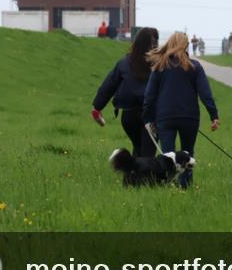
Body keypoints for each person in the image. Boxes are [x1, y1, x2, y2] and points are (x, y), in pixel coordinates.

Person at [143, 32, 220, 188]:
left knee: (167, 156)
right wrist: (214, 115)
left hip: (165, 117)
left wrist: (148, 119)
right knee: (188, 153)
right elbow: (205, 93)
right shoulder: (194, 66)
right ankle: (185, 186)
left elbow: (149, 95)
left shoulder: (160, 66)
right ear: (186, 46)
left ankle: (167, 186)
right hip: (189, 118)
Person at [92, 27, 159, 157]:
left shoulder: (124, 63)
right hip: (151, 115)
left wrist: (97, 107)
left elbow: (109, 85)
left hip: (129, 116)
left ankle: (132, 170)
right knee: (148, 154)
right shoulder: (159, 64)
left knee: (137, 148)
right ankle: (144, 170)